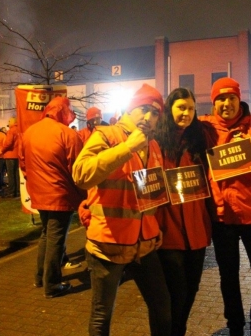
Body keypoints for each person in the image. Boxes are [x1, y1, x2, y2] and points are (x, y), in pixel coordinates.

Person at [72, 83, 171, 336]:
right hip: (108, 245)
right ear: (131, 108)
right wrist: (127, 148)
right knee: (102, 316)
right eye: (144, 109)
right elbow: (81, 175)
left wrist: (154, 224)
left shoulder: (154, 145)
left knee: (162, 307)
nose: (148, 117)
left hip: (145, 244)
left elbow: (149, 192)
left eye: (155, 113)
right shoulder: (107, 135)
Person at [199, 77, 251, 336]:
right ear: (214, 103)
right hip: (222, 216)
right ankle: (235, 325)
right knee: (228, 277)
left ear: (239, 99)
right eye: (220, 99)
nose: (226, 104)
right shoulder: (204, 129)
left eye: (231, 98)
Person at [154, 88, 212, 336]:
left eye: (190, 108)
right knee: (175, 292)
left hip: (196, 231)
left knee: (191, 289)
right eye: (181, 107)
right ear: (170, 109)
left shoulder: (200, 140)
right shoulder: (156, 141)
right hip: (168, 231)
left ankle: (179, 331)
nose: (186, 113)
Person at [20, 96, 86, 298]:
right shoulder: (67, 134)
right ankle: (52, 284)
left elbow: (23, 164)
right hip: (60, 195)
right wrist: (84, 197)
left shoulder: (30, 132)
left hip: (39, 194)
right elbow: (79, 170)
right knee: (56, 238)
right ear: (64, 112)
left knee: (47, 234)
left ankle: (40, 277)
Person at [2, 117, 20, 198]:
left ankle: (11, 192)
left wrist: (2, 150)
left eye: (9, 121)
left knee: (11, 174)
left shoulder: (11, 131)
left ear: (13, 122)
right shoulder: (20, 130)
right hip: (18, 154)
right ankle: (18, 191)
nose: (8, 122)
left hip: (10, 155)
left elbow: (8, 143)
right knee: (17, 174)